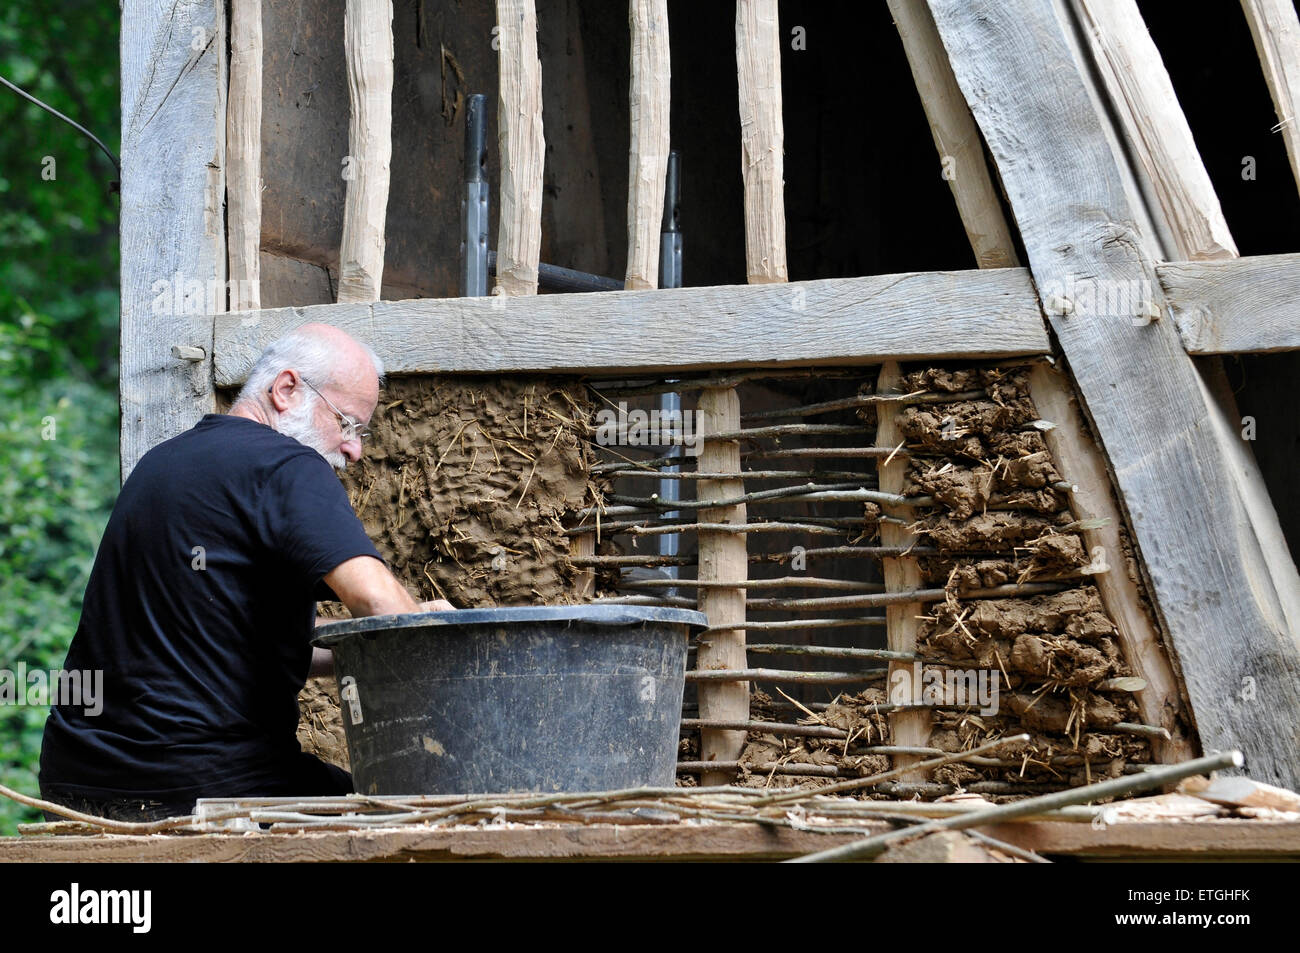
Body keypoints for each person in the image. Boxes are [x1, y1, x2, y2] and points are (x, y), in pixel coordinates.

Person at [38, 323, 448, 821]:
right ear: (286, 389)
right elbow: (382, 607)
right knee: (411, 815)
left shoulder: (160, 464)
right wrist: (432, 632)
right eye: (348, 423)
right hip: (206, 784)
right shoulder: (285, 465)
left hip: (74, 780)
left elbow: (222, 647)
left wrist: (353, 653)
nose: (354, 449)